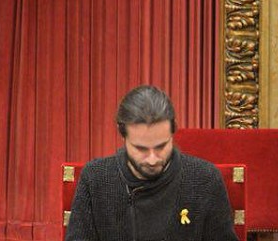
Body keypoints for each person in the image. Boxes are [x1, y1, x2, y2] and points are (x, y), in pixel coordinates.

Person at [65, 85, 238, 241]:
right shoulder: (96, 178)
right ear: (122, 134)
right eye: (141, 149)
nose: (153, 159)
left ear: (173, 130)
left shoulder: (204, 179)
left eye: (161, 146)